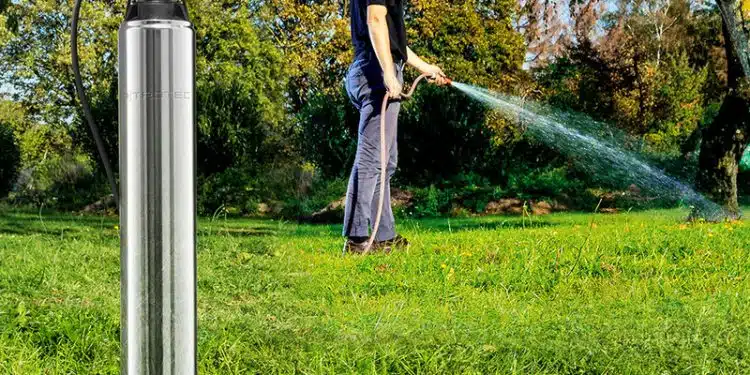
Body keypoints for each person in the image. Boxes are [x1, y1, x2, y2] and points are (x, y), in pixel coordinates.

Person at [343, 0, 448, 253]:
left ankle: (384, 236)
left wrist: (426, 68)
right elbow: (375, 21)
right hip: (376, 70)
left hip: (372, 66)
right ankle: (357, 240)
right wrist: (389, 74)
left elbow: (392, 39)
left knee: (385, 161)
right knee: (371, 159)